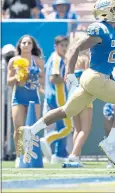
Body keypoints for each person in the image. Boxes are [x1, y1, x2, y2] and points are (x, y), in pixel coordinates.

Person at [18, 0, 115, 166]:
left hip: (96, 77)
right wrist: (70, 73)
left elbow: (110, 55)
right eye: (114, 9)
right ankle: (110, 142)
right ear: (105, 12)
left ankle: (32, 130)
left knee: (67, 110)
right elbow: (76, 48)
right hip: (95, 76)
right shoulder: (100, 29)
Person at [7, 35, 44, 167]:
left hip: (34, 98)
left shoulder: (38, 61)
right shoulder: (14, 61)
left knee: (33, 129)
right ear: (20, 45)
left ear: (33, 46)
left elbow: (43, 81)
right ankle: (19, 156)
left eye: (29, 43)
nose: (26, 45)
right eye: (24, 43)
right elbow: (8, 81)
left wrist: (33, 77)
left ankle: (31, 156)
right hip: (18, 97)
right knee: (18, 129)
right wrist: (18, 76)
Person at [40, 36, 73, 164]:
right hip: (58, 97)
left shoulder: (53, 57)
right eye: (62, 45)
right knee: (67, 126)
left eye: (66, 45)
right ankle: (48, 141)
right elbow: (53, 78)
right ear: (55, 46)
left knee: (60, 126)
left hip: (53, 96)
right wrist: (67, 78)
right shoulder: (57, 59)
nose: (64, 48)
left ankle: (60, 154)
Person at [66, 53, 93, 166]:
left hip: (72, 95)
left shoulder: (71, 60)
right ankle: (74, 155)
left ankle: (76, 157)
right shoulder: (86, 59)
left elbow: (67, 77)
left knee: (77, 129)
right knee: (85, 129)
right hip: (84, 95)